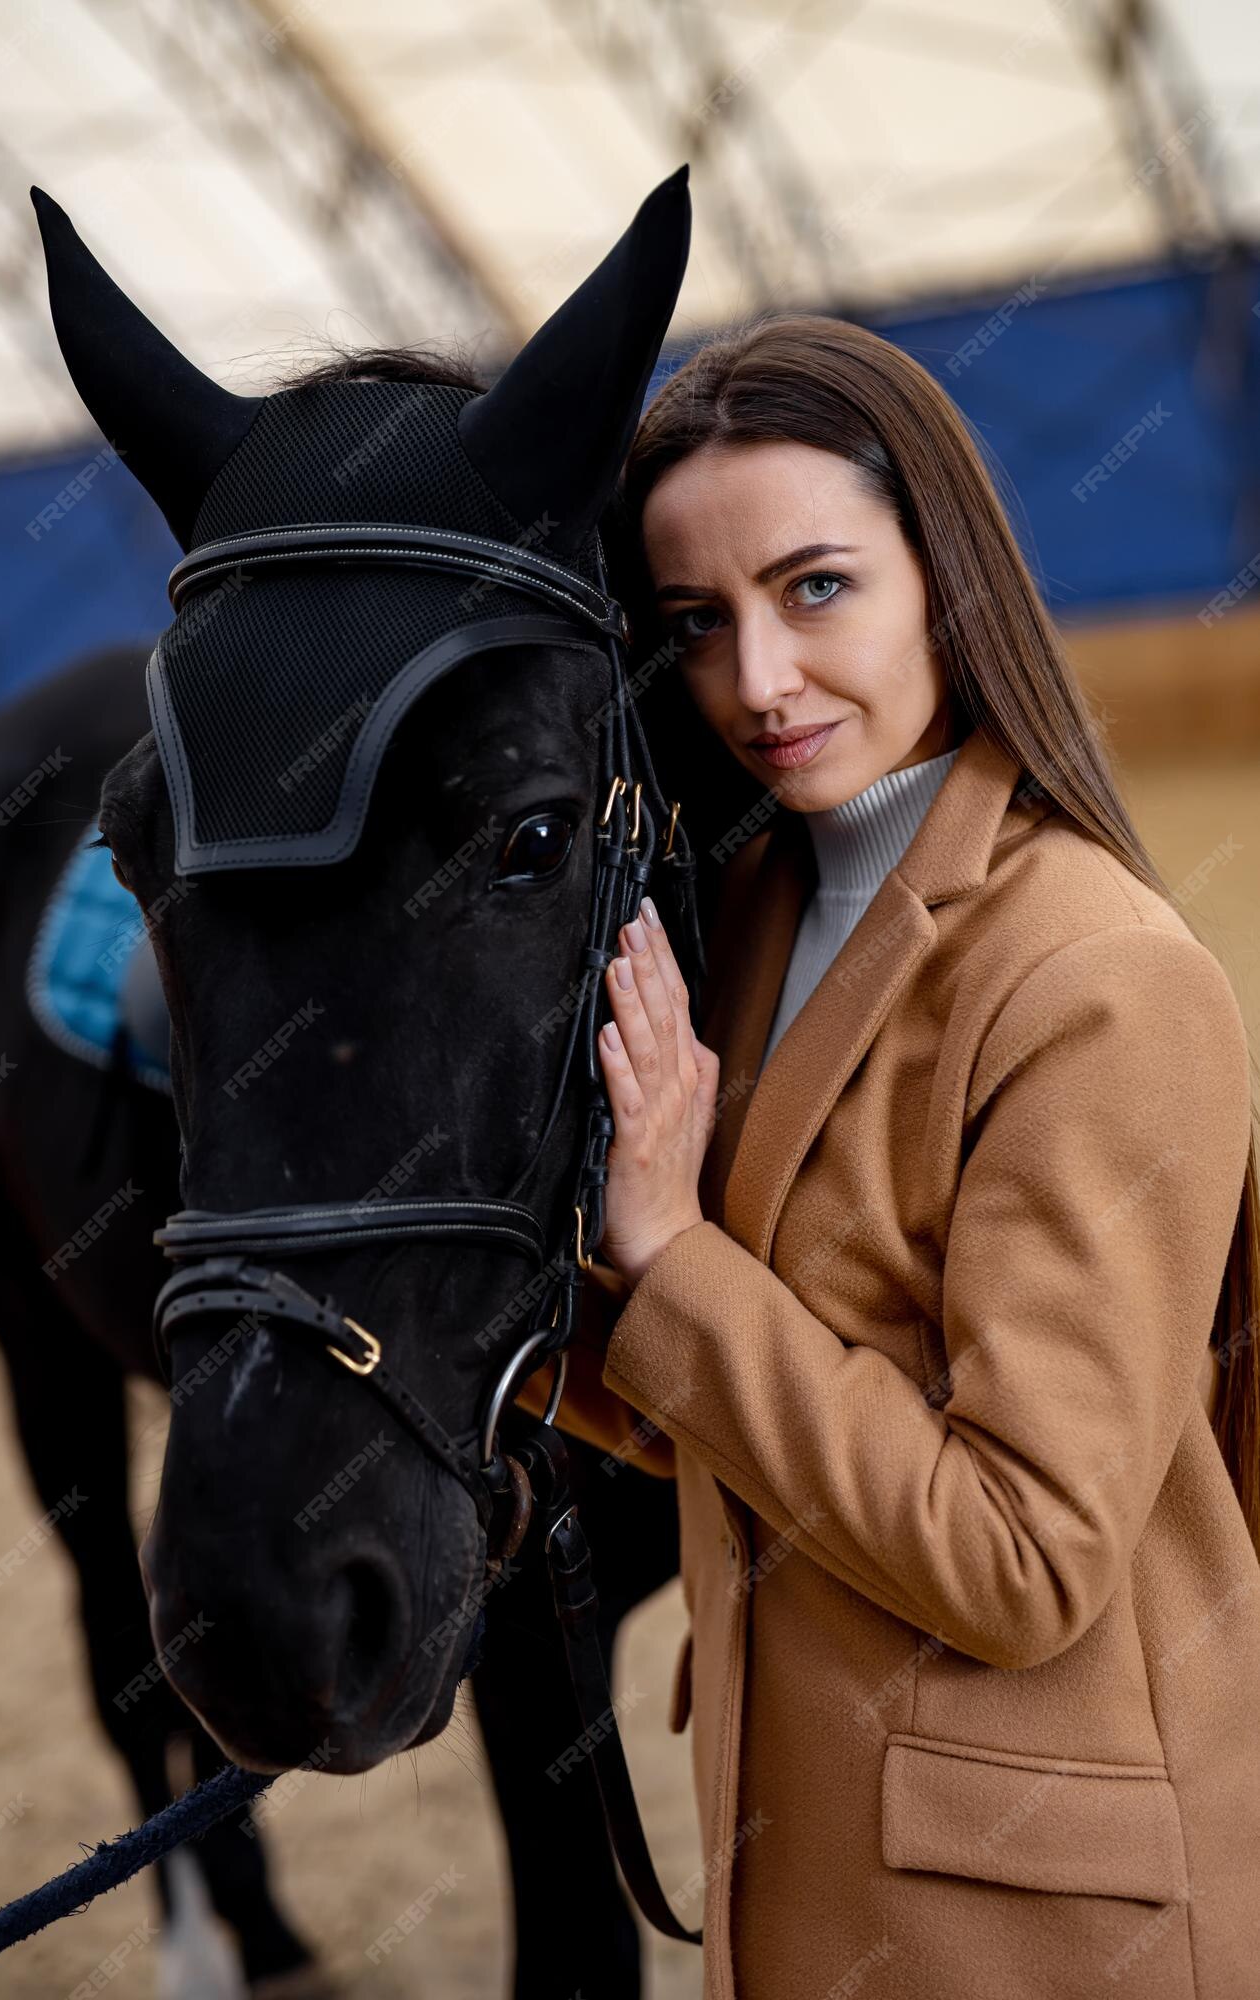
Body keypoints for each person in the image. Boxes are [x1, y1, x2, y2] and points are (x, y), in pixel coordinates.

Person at [518, 314, 1260, 1999]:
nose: (756, 682)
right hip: (810, 1861)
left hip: (1036, 1924)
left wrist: (667, 1249)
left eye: (815, 588)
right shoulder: (764, 904)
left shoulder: (1098, 984)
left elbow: (1019, 1558)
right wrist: (511, 1313)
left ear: (945, 573)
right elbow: (767, 1392)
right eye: (697, 623)